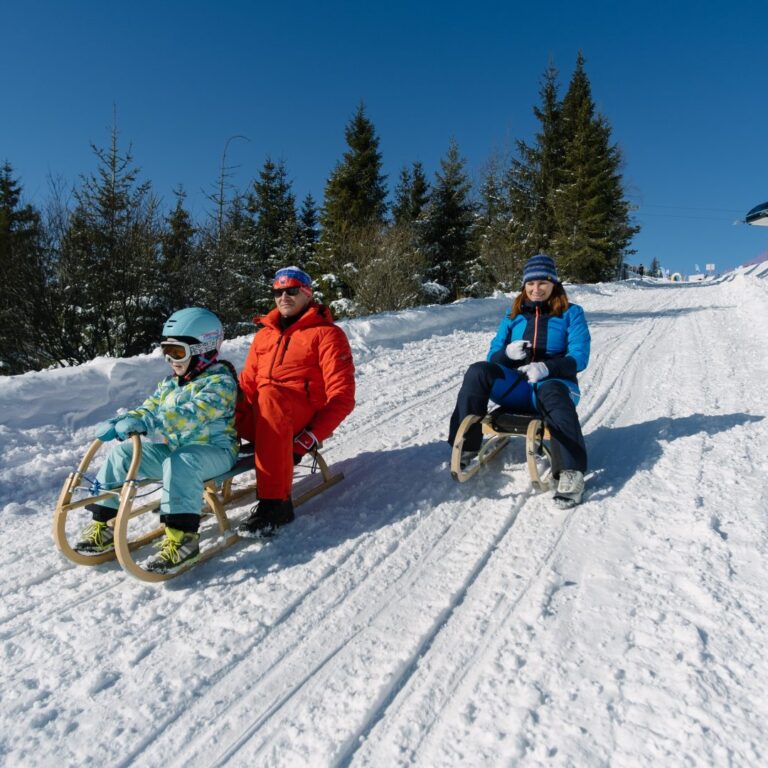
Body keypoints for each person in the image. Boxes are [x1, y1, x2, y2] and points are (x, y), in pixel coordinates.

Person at [75, 307, 239, 573]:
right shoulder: (170, 384)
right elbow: (149, 409)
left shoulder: (220, 383)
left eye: (178, 352)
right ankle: (103, 524)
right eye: (166, 351)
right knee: (122, 455)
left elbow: (190, 415)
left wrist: (150, 422)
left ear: (204, 350)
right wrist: (124, 420)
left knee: (181, 462)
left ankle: (183, 540)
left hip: (215, 453)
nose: (171, 360)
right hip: (178, 452)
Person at [447, 254, 591, 507]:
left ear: (553, 284)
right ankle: (466, 445)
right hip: (518, 387)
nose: (536, 289)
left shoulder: (571, 313)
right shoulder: (513, 315)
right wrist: (507, 355)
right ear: (524, 286)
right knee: (478, 371)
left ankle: (570, 471)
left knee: (554, 394)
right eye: (530, 284)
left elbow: (579, 356)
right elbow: (493, 355)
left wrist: (547, 368)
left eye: (543, 283)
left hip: (555, 384)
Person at [236, 266, 355, 536]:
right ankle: (188, 480)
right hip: (264, 415)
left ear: (307, 293)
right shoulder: (264, 334)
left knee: (269, 395)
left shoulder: (327, 335)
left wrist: (308, 438)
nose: (283, 297)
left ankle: (275, 505)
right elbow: (248, 384)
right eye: (278, 291)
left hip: (296, 416)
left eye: (291, 291)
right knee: (214, 397)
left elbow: (343, 396)